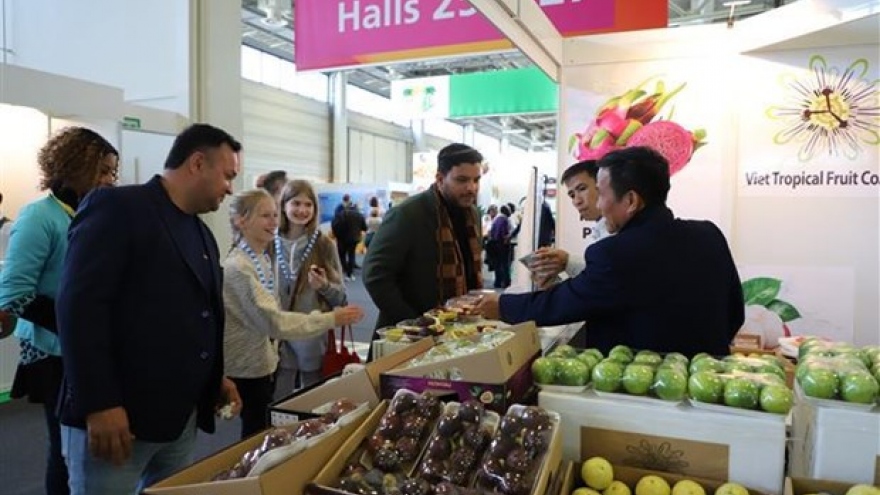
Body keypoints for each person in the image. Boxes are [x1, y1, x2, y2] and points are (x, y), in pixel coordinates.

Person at [55, 124, 245, 494]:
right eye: (228, 175)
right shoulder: (117, 207)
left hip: (177, 421)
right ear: (197, 163)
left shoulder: (202, 233)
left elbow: (193, 314)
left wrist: (213, 378)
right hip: (118, 421)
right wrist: (100, 403)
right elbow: (79, 308)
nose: (230, 188)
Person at [477, 146, 744, 357]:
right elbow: (735, 312)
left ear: (630, 201)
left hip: (643, 391)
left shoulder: (615, 253)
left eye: (601, 194)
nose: (599, 205)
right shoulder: (709, 234)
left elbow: (561, 304)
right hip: (708, 383)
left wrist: (501, 305)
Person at [0, 127, 119, 495]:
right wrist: (70, 323)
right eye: (103, 171)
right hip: (52, 352)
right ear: (74, 168)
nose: (110, 181)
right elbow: (14, 292)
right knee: (66, 451)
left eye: (113, 172)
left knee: (83, 448)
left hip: (85, 347)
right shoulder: (40, 216)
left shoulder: (92, 211)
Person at [224, 189, 363, 438]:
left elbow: (338, 294)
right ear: (241, 220)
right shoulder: (241, 267)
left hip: (280, 350)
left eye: (274, 215)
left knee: (305, 404)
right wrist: (332, 318)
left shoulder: (263, 257)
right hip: (256, 360)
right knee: (261, 428)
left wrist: (325, 292)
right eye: (266, 215)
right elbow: (272, 320)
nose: (274, 221)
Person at [363, 143, 484, 336]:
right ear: (440, 178)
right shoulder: (408, 214)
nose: (472, 188)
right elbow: (375, 275)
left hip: (460, 329)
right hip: (411, 335)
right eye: (462, 180)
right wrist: (414, 323)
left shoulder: (473, 216)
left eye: (476, 180)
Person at [274, 180, 352, 397]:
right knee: (279, 398)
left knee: (313, 398)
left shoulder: (324, 244)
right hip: (277, 332)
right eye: (296, 203)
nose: (302, 210)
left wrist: (324, 286)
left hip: (313, 334)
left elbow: (342, 298)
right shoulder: (271, 242)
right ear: (283, 205)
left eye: (308, 205)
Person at [527, 160, 610, 286]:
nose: (577, 201)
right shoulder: (602, 228)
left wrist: (566, 261)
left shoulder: (621, 232)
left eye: (582, 189)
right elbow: (596, 281)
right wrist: (552, 283)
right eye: (572, 195)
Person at [331, 199, 366, 281]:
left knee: (342, 255)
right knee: (351, 255)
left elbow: (334, 225)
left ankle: (345, 269)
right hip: (354, 239)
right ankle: (350, 274)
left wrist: (337, 236)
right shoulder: (359, 215)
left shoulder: (341, 214)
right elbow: (364, 227)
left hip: (342, 239)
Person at [488, 204, 512, 289]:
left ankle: (497, 282)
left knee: (497, 264)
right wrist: (508, 237)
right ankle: (505, 282)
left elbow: (491, 232)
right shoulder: (504, 219)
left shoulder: (496, 219)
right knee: (505, 264)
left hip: (495, 244)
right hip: (502, 245)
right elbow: (504, 233)